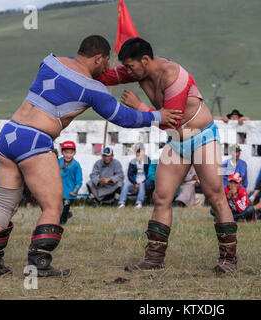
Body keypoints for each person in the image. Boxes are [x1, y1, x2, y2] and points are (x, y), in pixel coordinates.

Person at [0, 35, 182, 278]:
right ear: (98, 58)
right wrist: (157, 116)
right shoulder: (92, 89)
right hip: (34, 140)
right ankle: (38, 265)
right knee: (53, 206)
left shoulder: (50, 61)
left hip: (10, 133)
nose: (107, 68)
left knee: (3, 204)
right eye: (107, 62)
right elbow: (123, 118)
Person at [96, 37, 238, 273]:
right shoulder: (138, 70)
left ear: (145, 60)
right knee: (161, 196)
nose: (127, 71)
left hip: (202, 137)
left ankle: (228, 260)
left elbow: (169, 120)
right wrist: (77, 68)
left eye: (131, 66)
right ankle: (153, 260)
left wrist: (139, 105)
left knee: (215, 196)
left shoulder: (174, 75)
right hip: (177, 142)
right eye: (127, 67)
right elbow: (104, 76)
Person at [118, 143, 149, 209]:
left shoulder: (148, 161)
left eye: (140, 151)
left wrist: (141, 182)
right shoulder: (133, 161)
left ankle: (139, 203)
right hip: (134, 183)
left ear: (144, 151)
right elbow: (129, 175)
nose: (138, 154)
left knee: (142, 184)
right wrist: (135, 183)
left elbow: (149, 174)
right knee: (126, 184)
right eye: (137, 152)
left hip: (144, 183)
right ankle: (121, 203)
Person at [58, 141, 82, 225]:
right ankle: (66, 214)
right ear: (62, 152)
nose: (68, 155)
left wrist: (74, 191)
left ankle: (62, 223)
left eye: (71, 152)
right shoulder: (57, 162)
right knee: (58, 208)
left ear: (74, 153)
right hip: (58, 191)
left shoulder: (76, 165)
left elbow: (79, 181)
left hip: (69, 193)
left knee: (65, 207)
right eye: (66, 152)